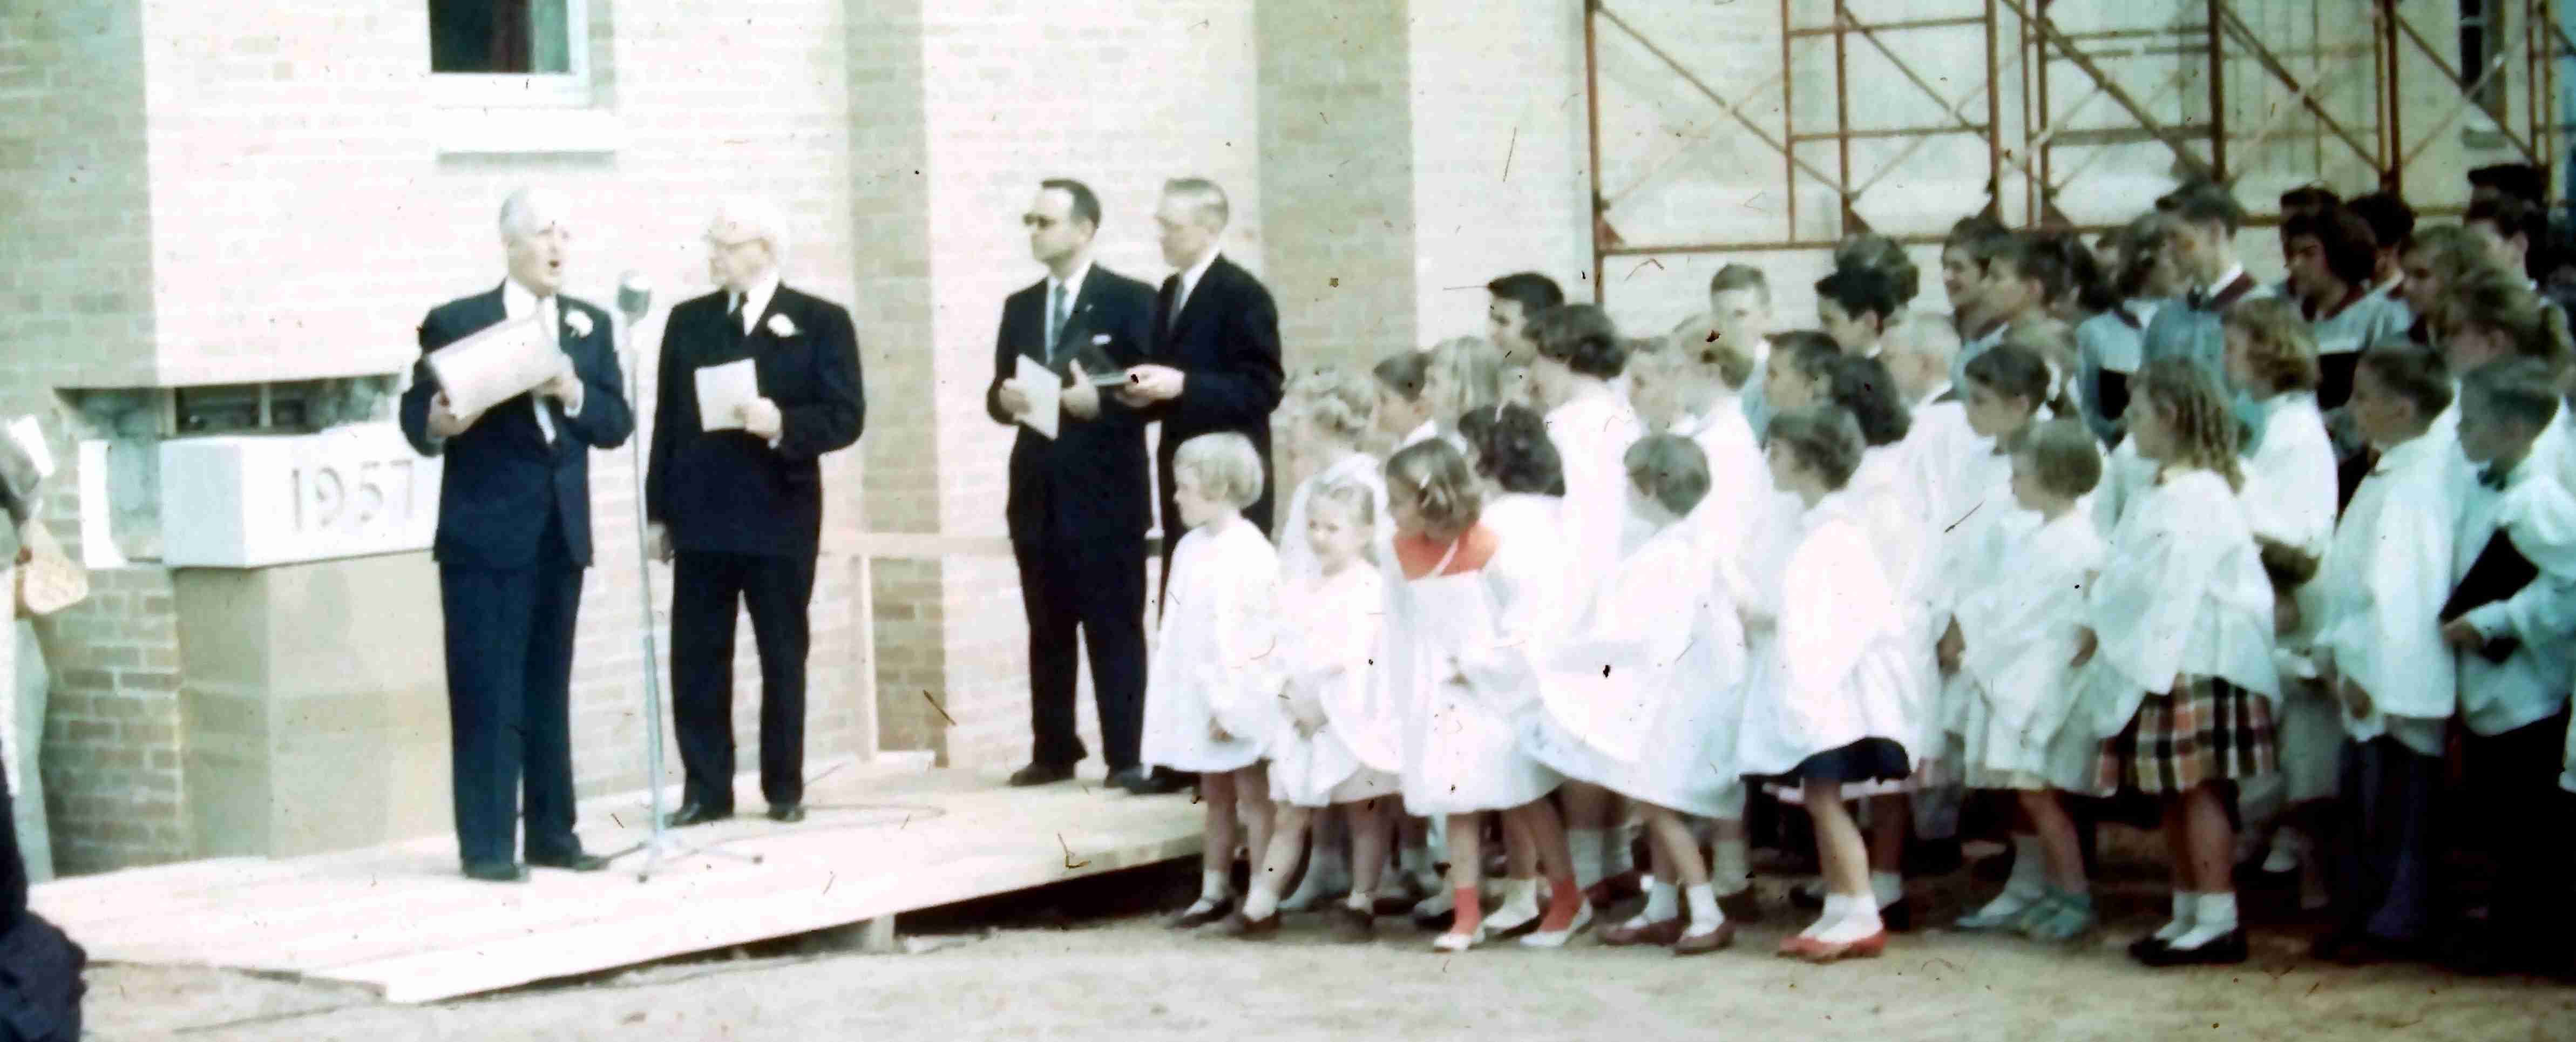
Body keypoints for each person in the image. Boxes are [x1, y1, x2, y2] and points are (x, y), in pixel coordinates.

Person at [399, 187, 635, 879]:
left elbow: (615, 424)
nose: (557, 246)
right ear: (509, 243)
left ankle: (554, 835)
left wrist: (571, 391)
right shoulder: (458, 319)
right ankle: (488, 845)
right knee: (485, 687)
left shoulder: (588, 326)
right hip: (485, 534)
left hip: (560, 532)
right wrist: (442, 419)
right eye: (542, 233)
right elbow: (419, 416)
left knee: (547, 686)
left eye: (566, 232)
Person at [645, 197, 866, 827]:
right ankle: (706, 789)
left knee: (780, 650)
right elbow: (668, 420)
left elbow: (846, 415)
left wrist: (784, 423)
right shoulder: (688, 322)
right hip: (704, 511)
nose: (713, 253)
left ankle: (784, 787)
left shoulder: (819, 320)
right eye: (711, 241)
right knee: (698, 655)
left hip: (779, 511)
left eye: (727, 242)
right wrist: (659, 512)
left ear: (765, 250)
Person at [2067, 358, 2279, 968]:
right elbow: (2127, 569)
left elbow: (2175, 586)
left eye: (2136, 414)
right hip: (2156, 655)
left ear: (2169, 416)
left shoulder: (2202, 493)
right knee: (2169, 792)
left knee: (2198, 789)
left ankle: (2217, 916)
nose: (2127, 425)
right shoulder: (2154, 487)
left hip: (2195, 657)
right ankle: (2186, 908)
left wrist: (2139, 652)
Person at [1523, 435, 1749, 955]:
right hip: (1685, 697)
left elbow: (1632, 637)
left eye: (1630, 481)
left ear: (1648, 488)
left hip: (1670, 700)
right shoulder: (1691, 548)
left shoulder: (1667, 558)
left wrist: (1560, 653)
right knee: (1662, 799)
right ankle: (1665, 907)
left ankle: (1707, 911)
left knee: (1657, 805)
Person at [1380, 438, 1590, 952]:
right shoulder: (1397, 552)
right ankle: (1467, 913)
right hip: (1442, 690)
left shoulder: (1490, 547)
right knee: (1458, 800)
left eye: (1399, 501)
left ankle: (1568, 898)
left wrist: (1481, 664)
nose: (1390, 512)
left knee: (1524, 796)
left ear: (1434, 499)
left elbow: (1522, 622)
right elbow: (1401, 626)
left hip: (1497, 692)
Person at [985, 179, 1160, 793]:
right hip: (1037, 487)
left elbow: (1150, 384)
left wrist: (1102, 404)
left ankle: (1126, 754)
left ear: (1084, 229)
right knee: (1047, 622)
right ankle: (1054, 747)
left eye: (1045, 221)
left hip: (1106, 488)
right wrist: (1005, 400)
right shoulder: (1020, 306)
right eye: (1028, 220)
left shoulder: (1130, 299)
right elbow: (998, 389)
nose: (1033, 231)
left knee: (1114, 623)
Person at [1740, 407, 1916, 963]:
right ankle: (1841, 904)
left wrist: (1802, 692)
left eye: (1778, 452)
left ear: (1809, 462)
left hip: (1833, 697)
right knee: (1818, 798)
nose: (1769, 461)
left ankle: (1861, 909)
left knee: (1825, 799)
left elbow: (1837, 625)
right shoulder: (1813, 529)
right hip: (1819, 691)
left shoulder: (1835, 535)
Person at [2311, 346, 2458, 966]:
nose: (2353, 408)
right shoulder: (2392, 471)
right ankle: (2370, 912)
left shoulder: (2416, 484)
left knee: (2396, 804)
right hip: (2364, 663)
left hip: (2390, 673)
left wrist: (2367, 673)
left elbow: (2398, 592)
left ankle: (2394, 920)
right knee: (2368, 804)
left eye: (2365, 397)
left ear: (2401, 407)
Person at [1944, 418, 2108, 942]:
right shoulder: (2038, 535)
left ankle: (2073, 895)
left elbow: (2063, 622)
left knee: (2041, 796)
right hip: (2015, 679)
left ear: (2053, 477)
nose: (2010, 484)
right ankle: (2044, 889)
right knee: (2022, 792)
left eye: (2019, 474)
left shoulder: (2077, 542)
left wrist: (1984, 651)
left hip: (2041, 686)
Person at [2438, 358, 2576, 975]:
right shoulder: (2476, 488)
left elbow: (2570, 582)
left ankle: (2528, 936)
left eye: (2470, 420)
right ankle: (2505, 927)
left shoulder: (2538, 501)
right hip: (2485, 690)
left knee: (2529, 824)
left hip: (2529, 691)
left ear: (2514, 428)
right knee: (2498, 815)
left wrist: (2499, 621)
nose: (2459, 431)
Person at [1226, 477, 1401, 940]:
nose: (1320, 537)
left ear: (1363, 533)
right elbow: (1276, 650)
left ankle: (1362, 901)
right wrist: (1287, 696)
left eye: (1333, 528)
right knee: (1291, 812)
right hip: (1298, 717)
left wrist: (1327, 706)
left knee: (1363, 812)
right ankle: (1262, 903)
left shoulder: (1371, 590)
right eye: (1314, 526)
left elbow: (1367, 658)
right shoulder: (1298, 588)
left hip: (1348, 716)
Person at [2219, 299, 2341, 898]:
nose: (2225, 360)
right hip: (2267, 591)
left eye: (2233, 347)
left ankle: (2294, 857)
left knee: (2298, 741)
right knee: (2273, 735)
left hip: (2289, 592)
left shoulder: (2294, 431)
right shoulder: (2270, 420)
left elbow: (2296, 532)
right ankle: (2268, 843)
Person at [1525, 303, 1646, 899]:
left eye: (1539, 360)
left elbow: (1569, 520)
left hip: (1577, 587)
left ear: (1566, 356)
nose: (1533, 374)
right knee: (1610, 724)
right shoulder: (1627, 418)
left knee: (1574, 727)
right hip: (1625, 586)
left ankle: (1584, 869)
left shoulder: (1564, 425)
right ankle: (1615, 854)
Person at [1121, 178, 1286, 614]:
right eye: (1160, 224)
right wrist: (1140, 393)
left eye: (1171, 226)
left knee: (1226, 608)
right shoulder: (1170, 292)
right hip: (1183, 477)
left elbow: (1263, 389)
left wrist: (1184, 386)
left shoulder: (1244, 295)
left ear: (1209, 228)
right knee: (1182, 603)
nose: (1161, 236)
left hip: (1226, 479)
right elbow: (1168, 377)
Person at [1142, 433, 1285, 930]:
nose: (1176, 497)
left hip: (1238, 696)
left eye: (1185, 488)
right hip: (1199, 694)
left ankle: (1262, 899)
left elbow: (1251, 637)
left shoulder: (1250, 552)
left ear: (1221, 487)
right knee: (1215, 794)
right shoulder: (1189, 548)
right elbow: (1180, 628)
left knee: (1254, 796)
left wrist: (1235, 705)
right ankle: (1214, 888)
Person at [2282, 206, 2410, 410]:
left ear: (2339, 252)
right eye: (2291, 254)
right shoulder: (2287, 315)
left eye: (2309, 254)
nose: (2295, 264)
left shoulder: (2382, 315)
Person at [2141, 183, 2269, 384]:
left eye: (2175, 236)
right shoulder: (2165, 319)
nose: (2166, 250)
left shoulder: (2266, 314)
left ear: (2214, 233)